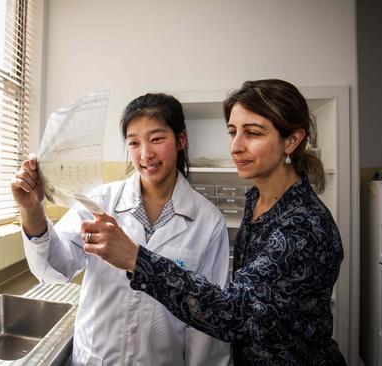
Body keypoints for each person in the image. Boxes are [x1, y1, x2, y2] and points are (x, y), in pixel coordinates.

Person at [81, 80, 347, 365]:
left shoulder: (302, 227)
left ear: (291, 140)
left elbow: (232, 312)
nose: (235, 146)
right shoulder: (258, 200)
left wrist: (136, 258)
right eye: (233, 132)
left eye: (253, 133)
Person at [11, 93, 232, 365]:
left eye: (157, 139)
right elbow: (54, 269)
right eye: (134, 142)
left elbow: (207, 327)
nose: (145, 154)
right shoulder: (101, 202)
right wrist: (32, 210)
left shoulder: (208, 223)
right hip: (96, 359)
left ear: (181, 140)